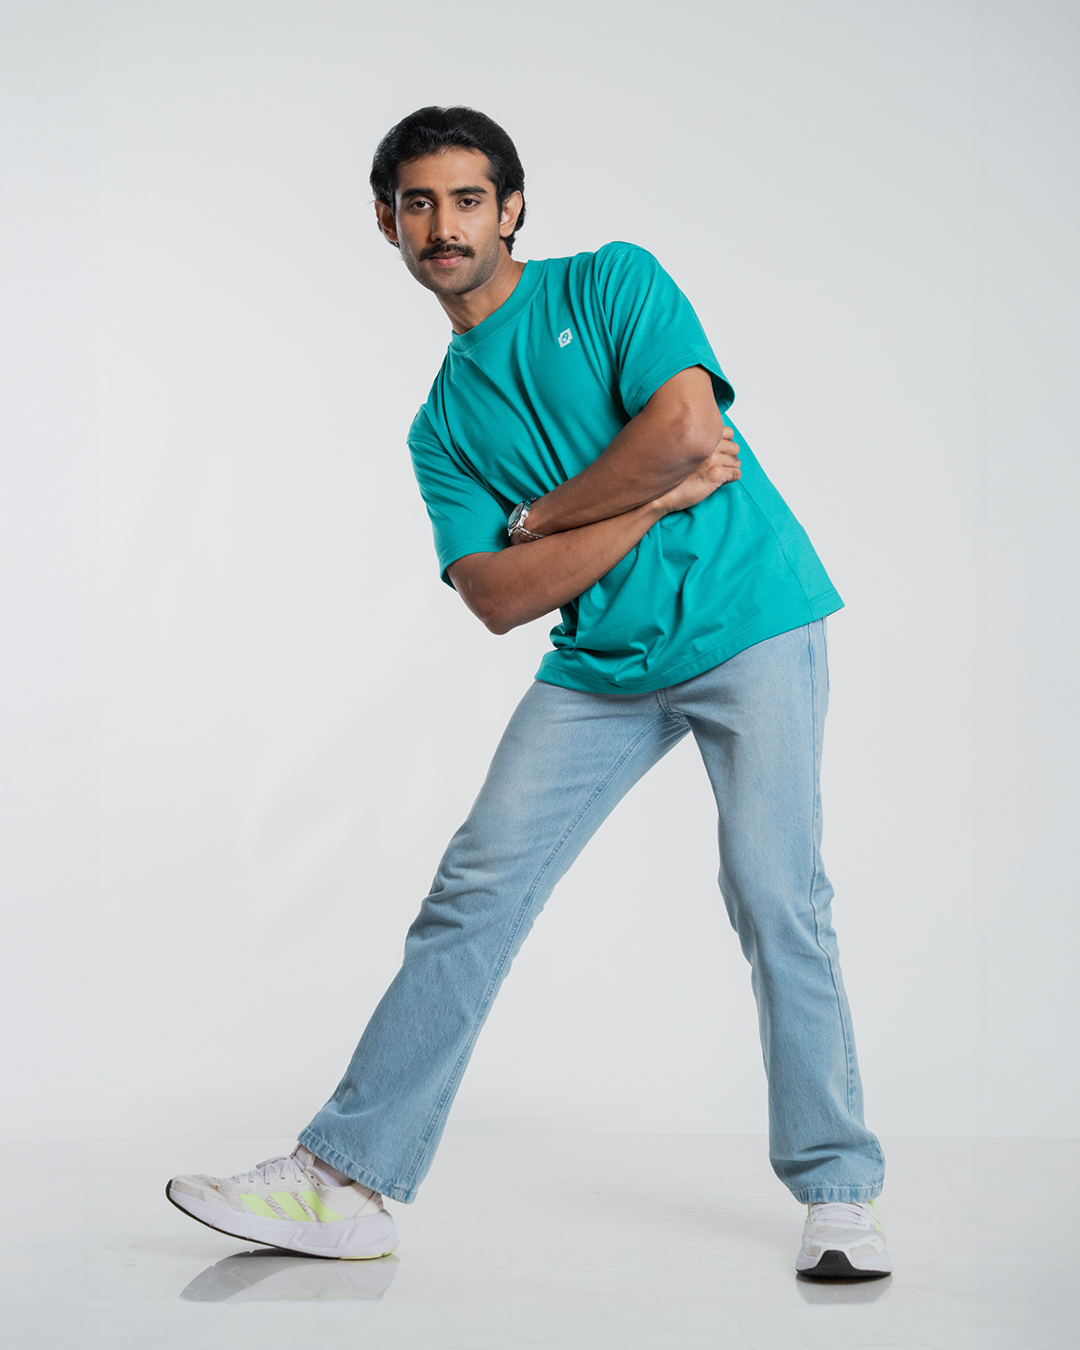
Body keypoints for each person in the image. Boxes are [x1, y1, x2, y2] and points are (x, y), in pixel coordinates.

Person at [167, 105, 891, 1280]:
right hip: (600, 668)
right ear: (387, 224)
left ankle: (840, 1192)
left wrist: (544, 515)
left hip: (749, 617)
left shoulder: (610, 282)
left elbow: (686, 427)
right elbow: (500, 596)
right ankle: (347, 1183)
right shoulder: (441, 427)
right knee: (473, 893)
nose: (443, 226)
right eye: (417, 204)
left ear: (510, 209)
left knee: (774, 894)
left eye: (466, 199)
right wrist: (648, 502)